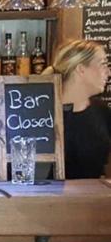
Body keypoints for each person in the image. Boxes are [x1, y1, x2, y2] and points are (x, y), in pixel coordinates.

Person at [42, 40, 111, 179]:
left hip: (95, 199)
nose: (108, 72)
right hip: (47, 199)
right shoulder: (40, 114)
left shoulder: (102, 112)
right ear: (81, 69)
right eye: (103, 64)